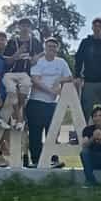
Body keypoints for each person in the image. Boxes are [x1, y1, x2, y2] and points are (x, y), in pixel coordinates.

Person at [25, 37, 72, 169]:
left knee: (52, 132)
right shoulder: (38, 62)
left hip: (52, 104)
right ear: (44, 48)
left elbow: (69, 77)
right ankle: (36, 161)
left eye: (54, 46)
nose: (51, 48)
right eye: (49, 46)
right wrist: (51, 91)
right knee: (35, 133)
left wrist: (58, 81)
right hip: (36, 102)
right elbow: (35, 80)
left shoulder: (61, 62)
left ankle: (54, 159)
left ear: (57, 49)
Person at [0, 19, 43, 130]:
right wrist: (17, 53)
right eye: (23, 25)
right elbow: (7, 61)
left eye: (27, 26)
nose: (25, 28)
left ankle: (17, 118)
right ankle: (18, 119)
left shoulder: (35, 42)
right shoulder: (12, 42)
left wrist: (36, 57)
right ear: (18, 27)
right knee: (11, 92)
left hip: (25, 74)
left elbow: (43, 52)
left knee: (23, 96)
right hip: (11, 74)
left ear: (30, 28)